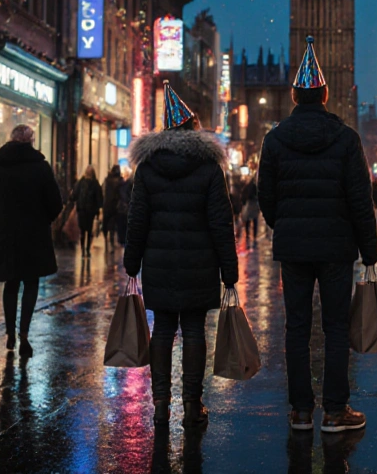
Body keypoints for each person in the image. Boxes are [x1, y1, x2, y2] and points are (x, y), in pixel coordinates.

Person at [259, 36, 377, 433]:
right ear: (324, 94)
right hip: (337, 247)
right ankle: (335, 410)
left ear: (294, 95)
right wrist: (369, 250)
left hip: (293, 246)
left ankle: (300, 411)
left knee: (296, 326)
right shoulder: (346, 140)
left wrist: (286, 225)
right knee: (336, 327)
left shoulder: (274, 140)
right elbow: (361, 198)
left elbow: (266, 198)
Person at [124, 83, 237, 426]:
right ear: (194, 128)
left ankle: (160, 405)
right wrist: (228, 270)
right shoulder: (209, 169)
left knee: (161, 331)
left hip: (158, 264)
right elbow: (221, 222)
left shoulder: (147, 169)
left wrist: (132, 262)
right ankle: (192, 404)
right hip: (198, 265)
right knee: (193, 330)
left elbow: (137, 219)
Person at [0, 124, 64, 359]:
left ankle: (10, 333)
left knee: (11, 283)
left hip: (6, 235)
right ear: (30, 142)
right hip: (34, 235)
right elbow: (56, 203)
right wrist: (42, 220)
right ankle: (24, 333)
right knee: (31, 283)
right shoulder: (41, 168)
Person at [70, 166, 103, 257]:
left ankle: (83, 249)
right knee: (88, 230)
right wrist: (98, 211)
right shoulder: (95, 184)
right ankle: (87, 250)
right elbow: (99, 198)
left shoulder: (80, 182)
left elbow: (74, 195)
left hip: (82, 210)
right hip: (90, 211)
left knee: (82, 230)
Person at [102, 165, 124, 251]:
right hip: (115, 206)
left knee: (106, 223)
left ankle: (106, 239)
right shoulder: (120, 181)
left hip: (107, 205)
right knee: (113, 225)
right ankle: (111, 241)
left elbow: (103, 191)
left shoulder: (107, 180)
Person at [240, 175, 260, 244]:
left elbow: (243, 196)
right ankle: (254, 236)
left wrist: (243, 203)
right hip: (254, 204)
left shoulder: (247, 186)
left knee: (248, 220)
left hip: (249, 204)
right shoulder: (255, 186)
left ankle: (248, 234)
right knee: (254, 220)